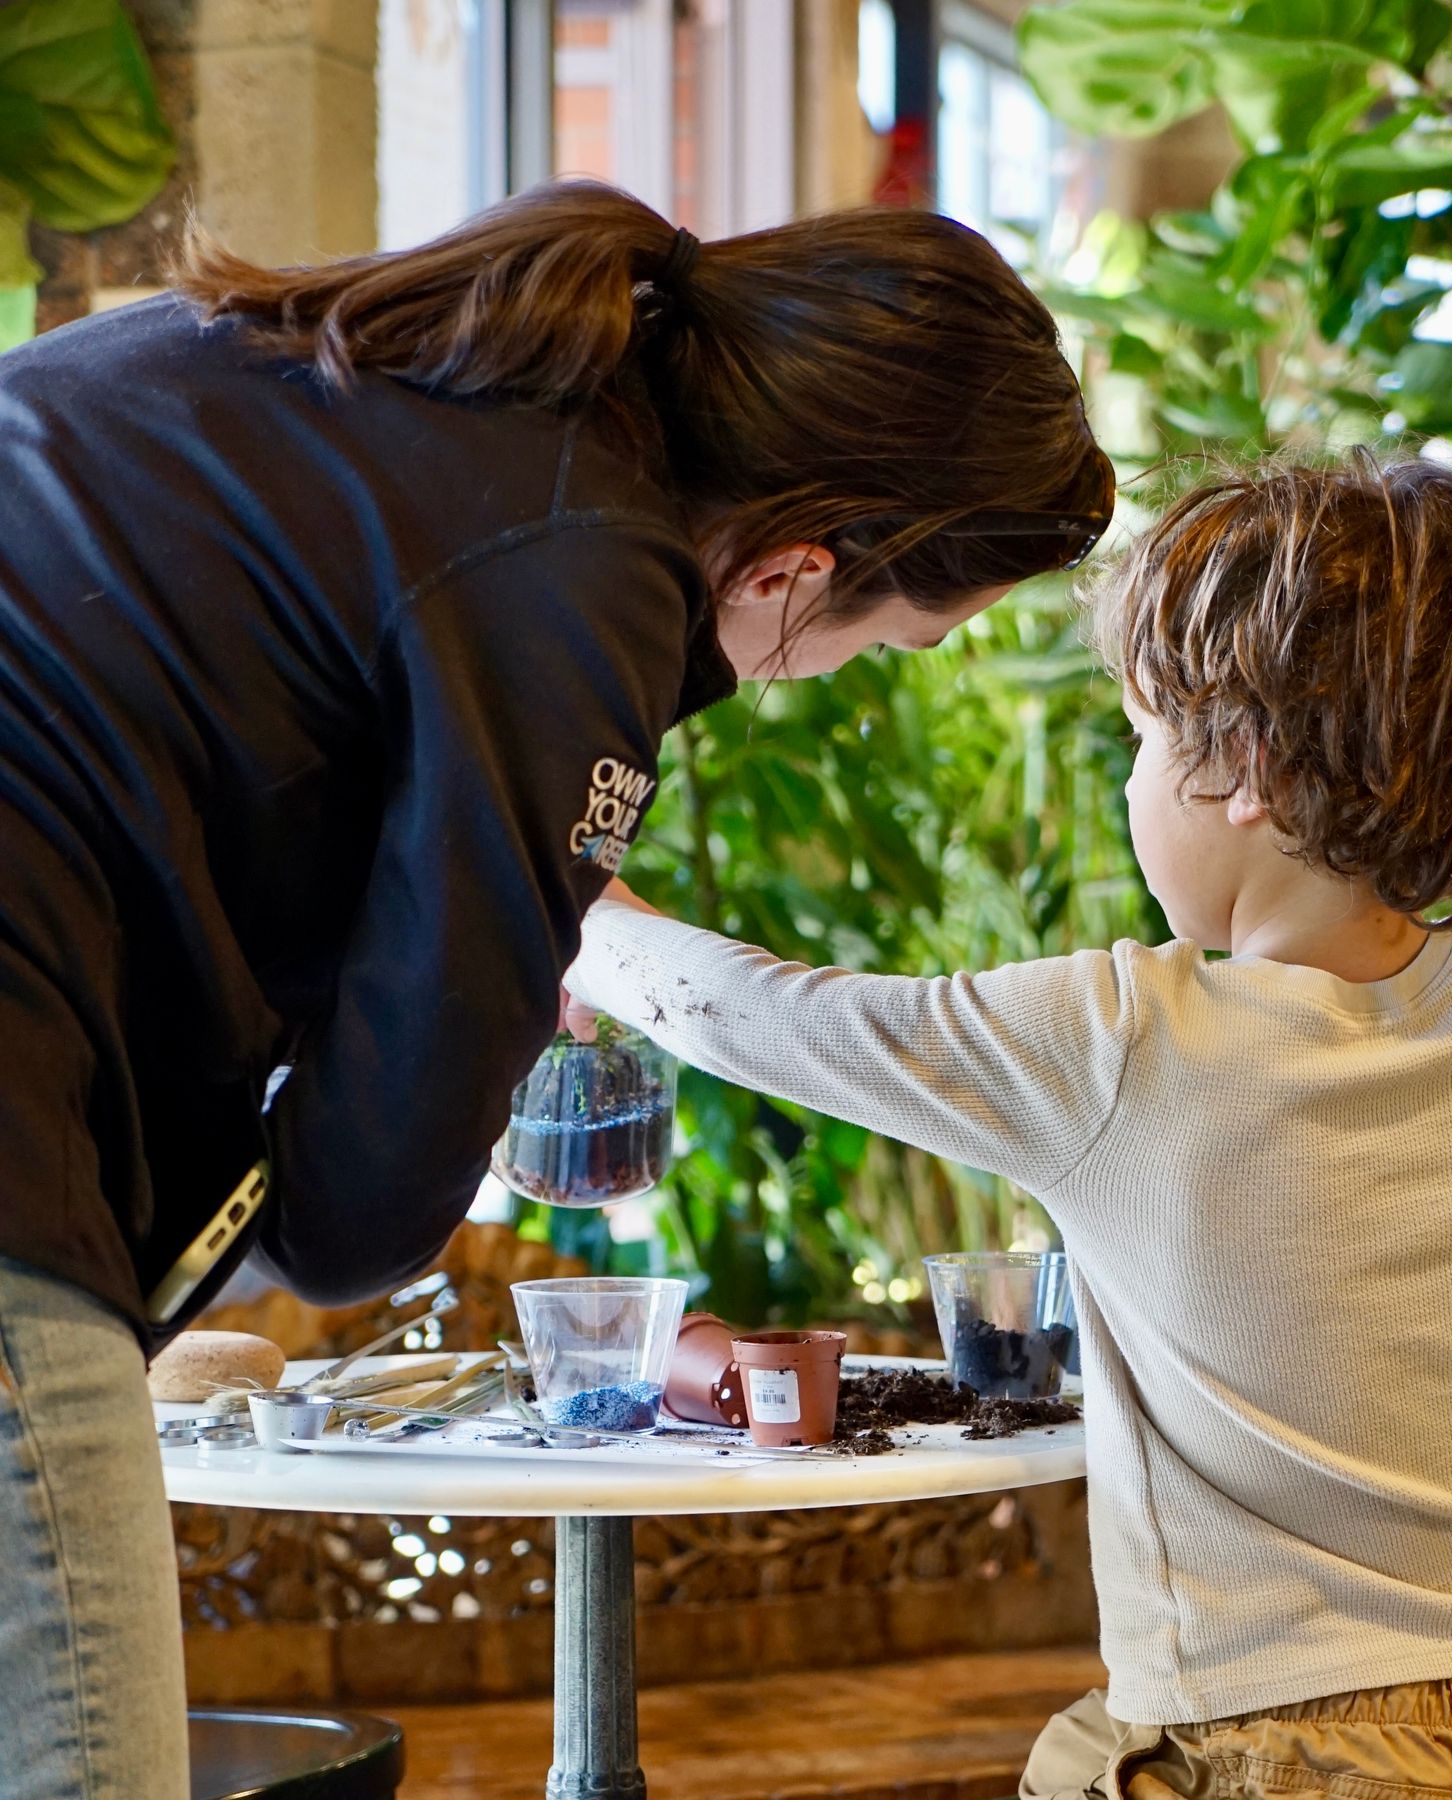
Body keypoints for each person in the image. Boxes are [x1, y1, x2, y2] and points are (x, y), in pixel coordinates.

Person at [0, 181, 1113, 1798]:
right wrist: (483, 983)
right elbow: (361, 1207)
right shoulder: (590, 554)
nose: (845, 669)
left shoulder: (431, 377)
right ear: (804, 564)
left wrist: (476, 931)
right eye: (893, 638)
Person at [570, 455, 1452, 1800]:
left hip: (1273, 1742)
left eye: (1147, 741)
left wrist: (572, 919)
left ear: (1253, 773)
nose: (1133, 782)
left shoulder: (1130, 1043)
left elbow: (774, 1020)